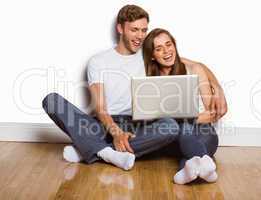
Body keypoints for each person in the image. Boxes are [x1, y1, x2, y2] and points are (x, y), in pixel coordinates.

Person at [42, 5, 180, 171]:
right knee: (52, 101)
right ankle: (106, 151)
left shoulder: (148, 55)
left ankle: (94, 151)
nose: (140, 36)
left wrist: (213, 81)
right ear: (120, 28)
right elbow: (100, 109)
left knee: (170, 126)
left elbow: (178, 60)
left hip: (137, 125)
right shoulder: (98, 61)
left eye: (144, 30)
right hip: (103, 124)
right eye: (134, 30)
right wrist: (116, 133)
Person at [142, 28, 221, 184]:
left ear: (174, 45)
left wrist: (186, 119)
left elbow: (211, 113)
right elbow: (149, 117)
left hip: (200, 131)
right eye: (159, 49)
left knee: (195, 132)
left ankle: (187, 171)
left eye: (168, 44)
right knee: (182, 128)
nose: (166, 51)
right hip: (171, 138)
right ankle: (206, 167)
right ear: (152, 55)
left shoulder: (194, 69)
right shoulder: (149, 78)